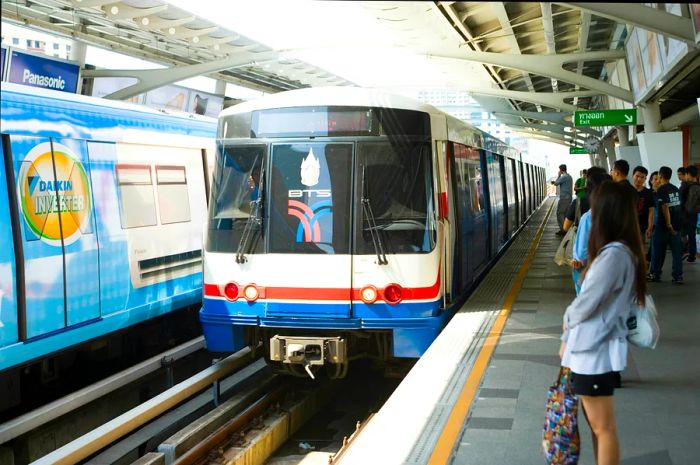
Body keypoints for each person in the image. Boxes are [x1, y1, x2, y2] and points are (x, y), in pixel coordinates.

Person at [559, 180, 647, 465]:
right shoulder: (621, 252)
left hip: (593, 353)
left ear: (607, 213)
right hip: (591, 351)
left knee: (603, 428)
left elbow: (586, 304)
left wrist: (566, 323)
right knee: (599, 428)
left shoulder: (613, 256)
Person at [570, 167, 611, 294]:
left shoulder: (589, 217)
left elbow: (582, 254)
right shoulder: (617, 213)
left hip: (589, 270)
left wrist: (577, 260)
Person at [648, 166, 683, 284]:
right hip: (677, 226)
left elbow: (665, 207)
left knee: (657, 252)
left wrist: (669, 225)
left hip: (663, 227)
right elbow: (679, 208)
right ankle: (677, 276)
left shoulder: (661, 190)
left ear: (661, 176)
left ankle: (655, 273)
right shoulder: (676, 189)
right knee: (677, 253)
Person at [632, 166, 654, 243]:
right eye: (637, 176)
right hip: (628, 226)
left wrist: (650, 227)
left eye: (642, 177)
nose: (639, 179)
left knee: (641, 248)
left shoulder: (648, 193)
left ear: (645, 179)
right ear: (632, 176)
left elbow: (651, 210)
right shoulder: (627, 191)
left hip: (642, 227)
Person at [682, 165, 700, 263]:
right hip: (692, 216)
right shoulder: (695, 186)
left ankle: (688, 253)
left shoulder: (692, 187)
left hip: (687, 216)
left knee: (687, 235)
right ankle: (691, 255)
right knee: (691, 236)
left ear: (688, 174)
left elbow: (690, 207)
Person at [551, 164, 573, 236]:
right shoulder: (569, 176)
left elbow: (556, 183)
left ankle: (563, 230)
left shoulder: (563, 177)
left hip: (564, 198)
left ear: (560, 170)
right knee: (565, 214)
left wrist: (558, 175)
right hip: (569, 198)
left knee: (559, 213)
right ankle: (566, 228)